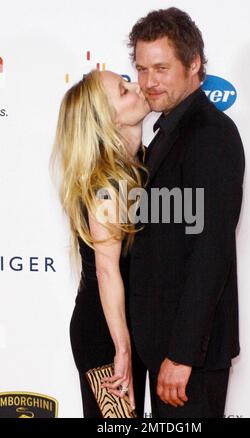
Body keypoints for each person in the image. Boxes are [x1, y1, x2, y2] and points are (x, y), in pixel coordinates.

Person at [125, 7, 245, 418]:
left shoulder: (209, 135)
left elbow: (211, 253)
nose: (148, 82)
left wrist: (181, 354)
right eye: (141, 69)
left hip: (187, 358)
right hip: (161, 350)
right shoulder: (165, 132)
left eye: (161, 68)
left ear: (193, 64)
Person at [50, 69, 149, 417]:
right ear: (107, 120)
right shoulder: (106, 181)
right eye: (124, 91)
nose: (138, 86)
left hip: (129, 326)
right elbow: (107, 270)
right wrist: (121, 348)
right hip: (105, 334)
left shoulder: (143, 164)